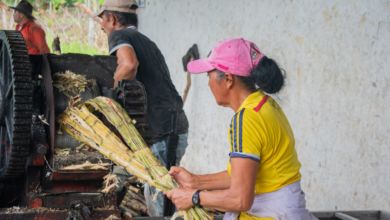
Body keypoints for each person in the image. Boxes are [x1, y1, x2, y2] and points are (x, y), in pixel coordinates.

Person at [165, 38, 318, 220]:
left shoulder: (245, 119)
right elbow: (245, 177)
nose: (208, 84)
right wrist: (196, 181)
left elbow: (240, 199)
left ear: (228, 79)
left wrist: (193, 197)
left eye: (209, 76)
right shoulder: (266, 105)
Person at [92, 0, 189, 216]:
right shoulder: (147, 41)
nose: (101, 26)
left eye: (102, 19)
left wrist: (111, 97)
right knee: (159, 199)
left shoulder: (119, 36)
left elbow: (128, 65)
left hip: (163, 135)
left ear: (112, 18)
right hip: (174, 128)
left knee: (160, 208)